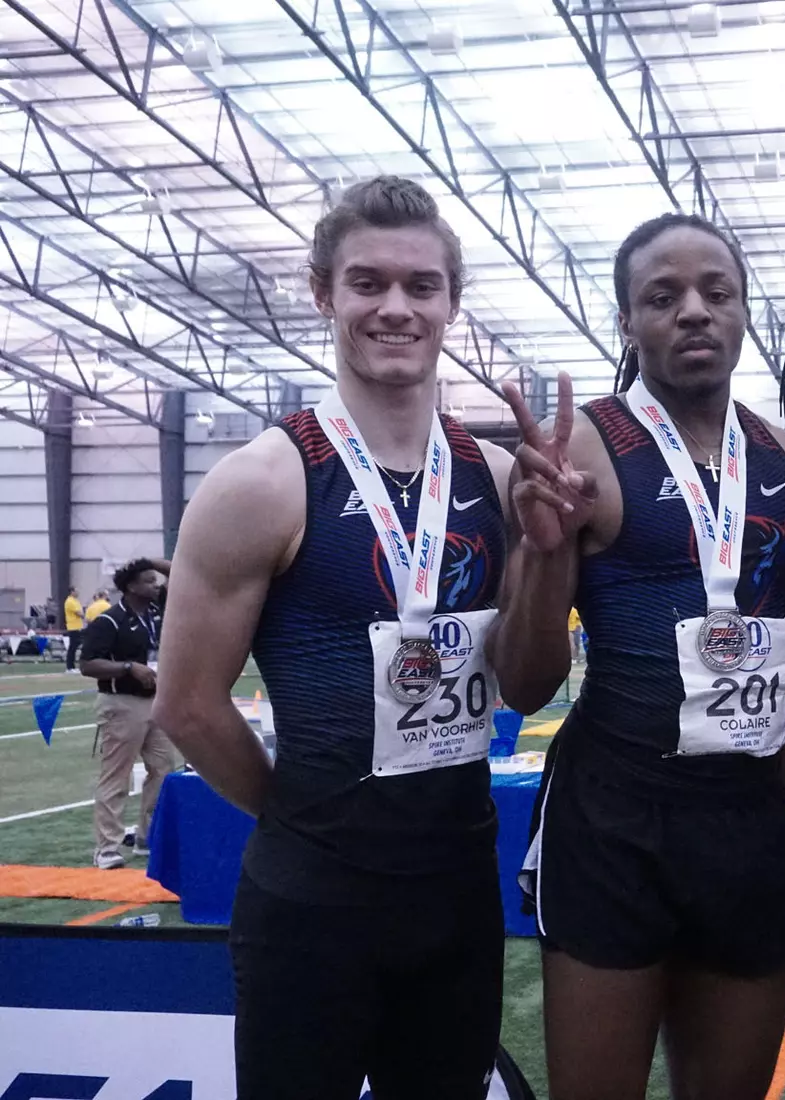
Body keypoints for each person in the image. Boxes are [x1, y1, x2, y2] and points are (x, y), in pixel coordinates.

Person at [153, 177, 514, 1100]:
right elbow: (190, 705)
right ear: (324, 294)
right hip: (313, 903)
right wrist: (301, 816)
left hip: (459, 887)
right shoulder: (264, 481)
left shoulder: (502, 480)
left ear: (450, 304)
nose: (396, 307)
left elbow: (525, 672)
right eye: (368, 283)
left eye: (421, 286)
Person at [492, 212, 785, 1100]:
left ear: (742, 314)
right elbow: (525, 685)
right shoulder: (577, 451)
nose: (693, 312)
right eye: (663, 296)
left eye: (715, 293)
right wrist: (541, 551)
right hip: (614, 818)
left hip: (744, 821)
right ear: (628, 322)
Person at [79, 558, 176, 870]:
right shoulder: (108, 621)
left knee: (163, 772)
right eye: (148, 580)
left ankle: (148, 836)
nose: (156, 584)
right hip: (121, 703)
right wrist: (128, 668)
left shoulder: (156, 612)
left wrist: (150, 562)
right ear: (131, 586)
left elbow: (179, 571)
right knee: (117, 776)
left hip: (156, 702)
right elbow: (87, 664)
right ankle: (107, 847)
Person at [63, 585, 84, 671]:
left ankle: (72, 666)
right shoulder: (70, 601)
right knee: (73, 647)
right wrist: (83, 615)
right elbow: (79, 613)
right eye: (76, 591)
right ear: (72, 592)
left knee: (76, 646)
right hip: (73, 627)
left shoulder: (76, 601)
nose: (78, 592)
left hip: (78, 626)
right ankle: (69, 667)